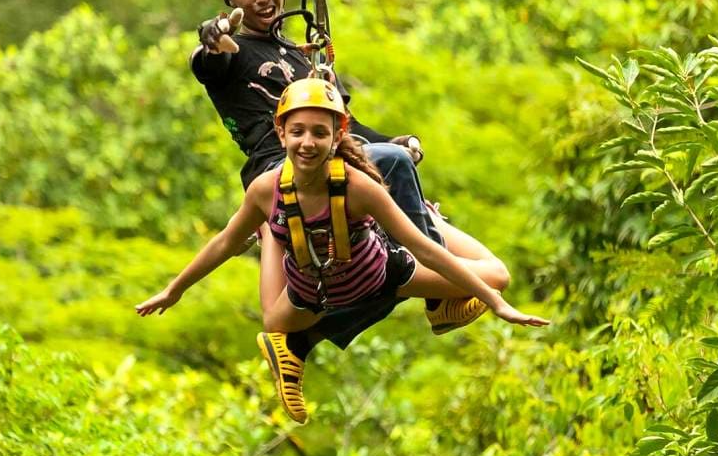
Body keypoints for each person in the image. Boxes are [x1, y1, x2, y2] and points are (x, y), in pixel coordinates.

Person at [136, 78, 549, 422]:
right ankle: (272, 232)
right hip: (311, 295)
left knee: (497, 274)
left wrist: (494, 302)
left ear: (339, 135)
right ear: (281, 133)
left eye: (320, 132)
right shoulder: (265, 189)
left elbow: (421, 247)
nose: (308, 143)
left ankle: (432, 220)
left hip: (386, 277)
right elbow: (225, 242)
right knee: (273, 320)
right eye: (297, 132)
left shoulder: (359, 188)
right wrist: (175, 289)